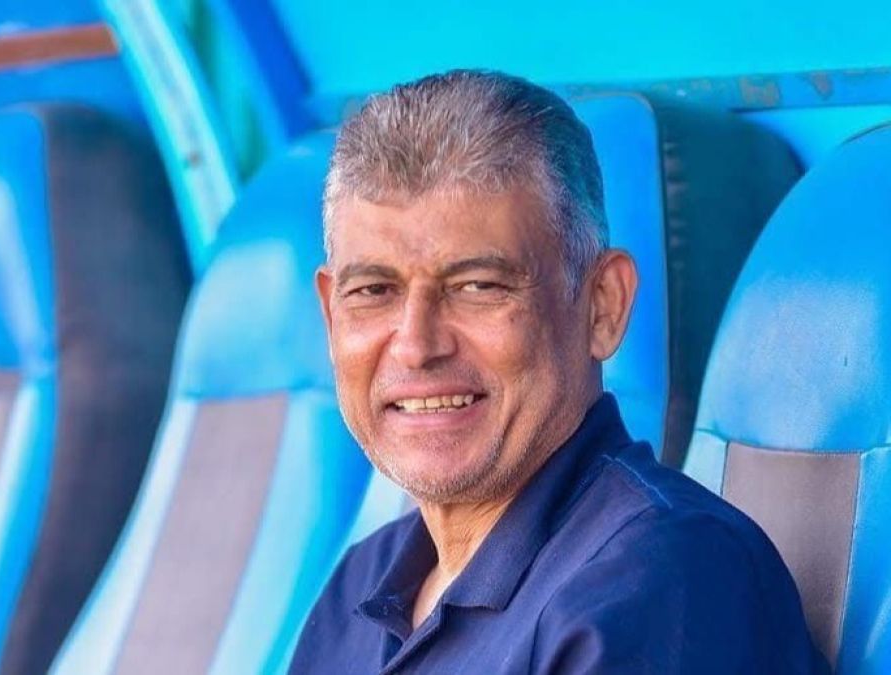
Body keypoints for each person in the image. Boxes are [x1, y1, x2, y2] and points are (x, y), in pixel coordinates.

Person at [289, 70, 826, 673]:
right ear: (331, 314)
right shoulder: (360, 584)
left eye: (478, 286)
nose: (417, 346)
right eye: (374, 291)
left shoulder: (662, 582)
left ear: (602, 306)